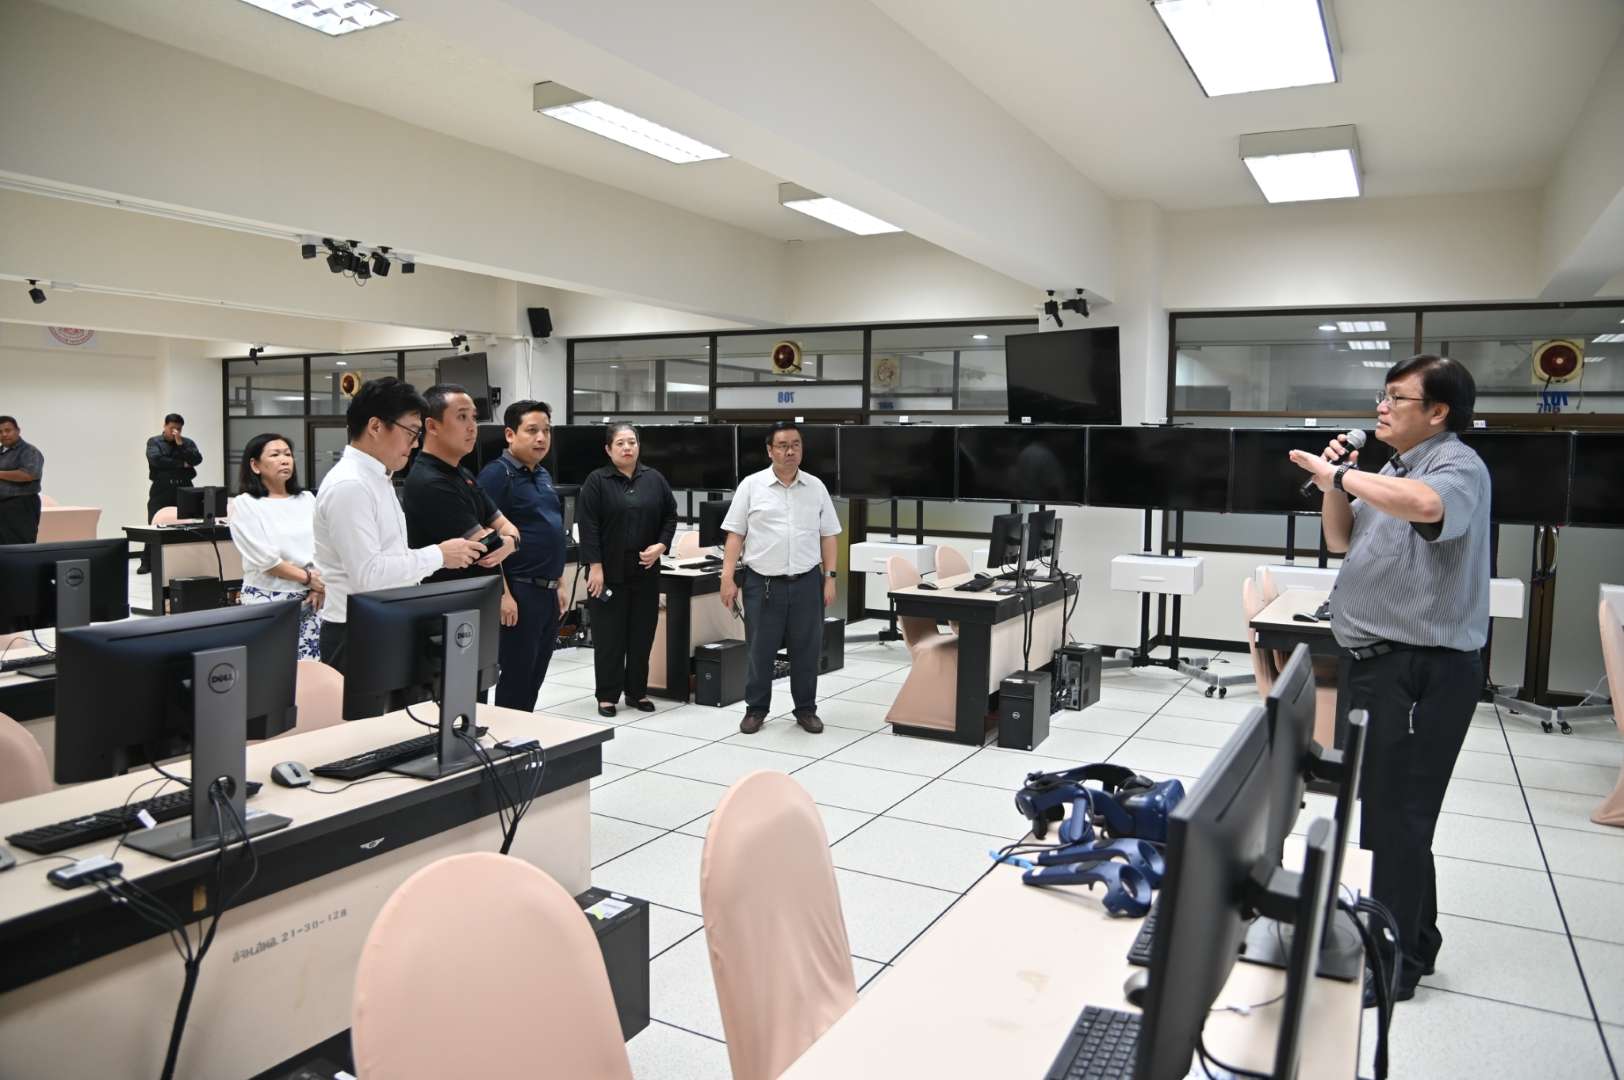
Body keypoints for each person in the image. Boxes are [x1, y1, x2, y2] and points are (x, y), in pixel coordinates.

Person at [1288, 353, 1490, 1008]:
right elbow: (1341, 541)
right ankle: (1416, 941)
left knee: (1397, 817)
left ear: (1438, 412)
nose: (1381, 406)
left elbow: (1428, 508)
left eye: (1397, 397)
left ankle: (1394, 964)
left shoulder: (1455, 466)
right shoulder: (1394, 469)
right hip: (1378, 662)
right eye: (1383, 395)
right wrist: (1333, 485)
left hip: (1421, 669)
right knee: (1388, 813)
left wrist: (1345, 473)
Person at [312, 377, 487, 673]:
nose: (415, 443)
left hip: (385, 620)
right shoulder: (350, 485)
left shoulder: (378, 478)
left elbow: (390, 558)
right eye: (411, 432)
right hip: (356, 630)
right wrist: (439, 555)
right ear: (376, 427)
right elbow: (369, 576)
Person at [719, 421, 841, 734]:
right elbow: (735, 534)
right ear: (770, 450)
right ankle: (756, 709)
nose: (790, 451)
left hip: (807, 581)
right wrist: (727, 577)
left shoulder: (815, 487)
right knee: (760, 651)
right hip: (763, 583)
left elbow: (829, 535)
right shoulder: (751, 486)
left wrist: (830, 577)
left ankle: (806, 709)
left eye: (796, 445)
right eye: (783, 446)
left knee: (806, 650)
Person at [576, 423, 676, 718]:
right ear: (608, 449)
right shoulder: (597, 481)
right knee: (609, 637)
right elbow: (588, 526)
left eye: (632, 442)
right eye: (620, 443)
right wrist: (594, 566)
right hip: (607, 572)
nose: (627, 448)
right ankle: (607, 696)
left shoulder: (654, 479)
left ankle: (637, 692)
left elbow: (670, 516)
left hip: (645, 569)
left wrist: (661, 545)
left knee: (642, 635)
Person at [478, 399, 569, 712]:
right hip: (518, 591)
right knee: (516, 677)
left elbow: (551, 531)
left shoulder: (542, 474)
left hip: (547, 591)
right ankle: (508, 736)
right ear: (510, 434)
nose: (541, 438)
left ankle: (522, 730)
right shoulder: (497, 475)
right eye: (532, 430)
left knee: (534, 675)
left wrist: (560, 582)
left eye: (546, 430)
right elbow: (484, 539)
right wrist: (502, 594)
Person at [401, 382, 519, 585]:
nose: (472, 427)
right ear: (432, 426)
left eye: (474, 417)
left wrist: (509, 540)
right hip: (450, 597)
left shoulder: (463, 473)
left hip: (480, 593)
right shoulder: (429, 481)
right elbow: (486, 549)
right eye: (462, 417)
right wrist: (503, 539)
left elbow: (508, 529)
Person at [229, 433, 323, 659]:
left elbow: (326, 545)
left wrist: (319, 586)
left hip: (313, 598)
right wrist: (309, 578)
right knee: (271, 667)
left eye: (288, 454)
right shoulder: (245, 504)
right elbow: (267, 561)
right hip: (269, 598)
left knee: (311, 669)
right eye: (275, 455)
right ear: (255, 465)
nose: (284, 460)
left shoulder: (307, 499)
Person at [141, 413, 203, 572]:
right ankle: (147, 562)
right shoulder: (154, 442)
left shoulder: (187, 443)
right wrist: (182, 464)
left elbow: (197, 460)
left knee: (188, 523)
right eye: (172, 428)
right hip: (162, 487)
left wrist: (180, 445)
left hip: (184, 487)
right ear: (165, 426)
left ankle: (185, 561)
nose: (175, 432)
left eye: (178, 429)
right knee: (154, 523)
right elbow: (156, 460)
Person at [0, 416, 45, 545]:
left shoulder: (29, 451)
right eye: (0, 432)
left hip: (21, 505)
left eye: (8, 430)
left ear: (18, 430)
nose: (4, 434)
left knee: (19, 546)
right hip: (3, 506)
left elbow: (29, 474)